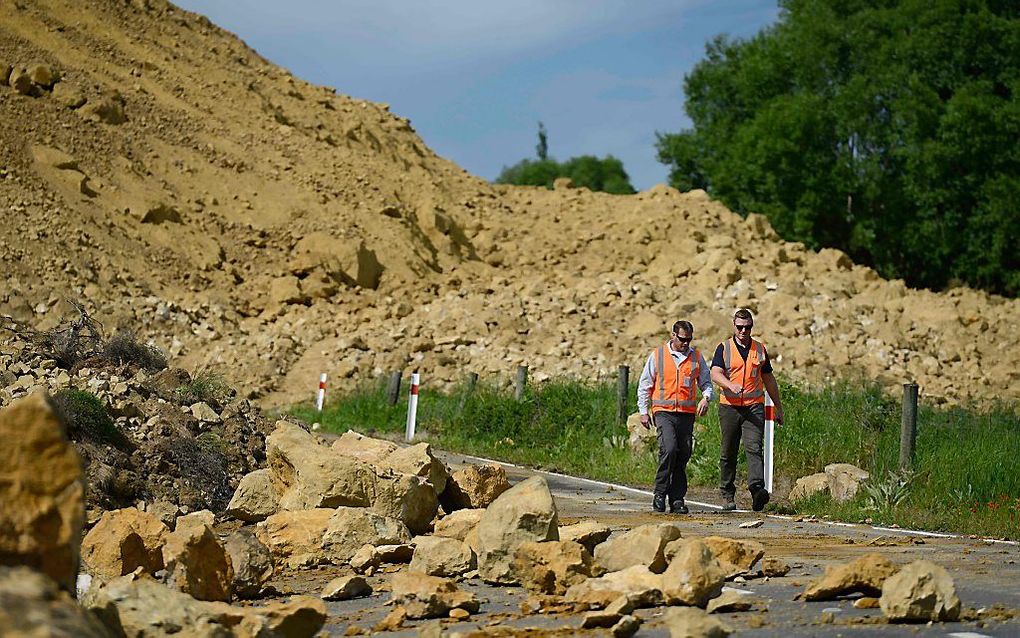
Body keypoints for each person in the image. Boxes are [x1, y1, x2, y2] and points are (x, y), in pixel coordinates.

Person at [710, 308, 784, 512]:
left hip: (753, 407)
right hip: (730, 407)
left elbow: (768, 379)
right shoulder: (724, 348)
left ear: (752, 327)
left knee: (754, 448)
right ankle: (726, 493)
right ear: (734, 326)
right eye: (740, 327)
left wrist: (778, 407)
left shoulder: (759, 349)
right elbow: (715, 373)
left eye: (748, 327)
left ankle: (757, 490)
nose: (744, 331)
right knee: (728, 452)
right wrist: (729, 385)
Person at [637, 320, 713, 514]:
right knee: (669, 449)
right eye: (682, 339)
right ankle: (660, 494)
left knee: (683, 455)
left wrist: (706, 398)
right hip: (664, 412)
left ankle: (677, 499)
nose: (685, 343)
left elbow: (706, 382)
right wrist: (643, 411)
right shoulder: (658, 355)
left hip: (686, 415)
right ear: (673, 335)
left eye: (689, 339)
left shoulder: (696, 357)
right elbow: (645, 384)